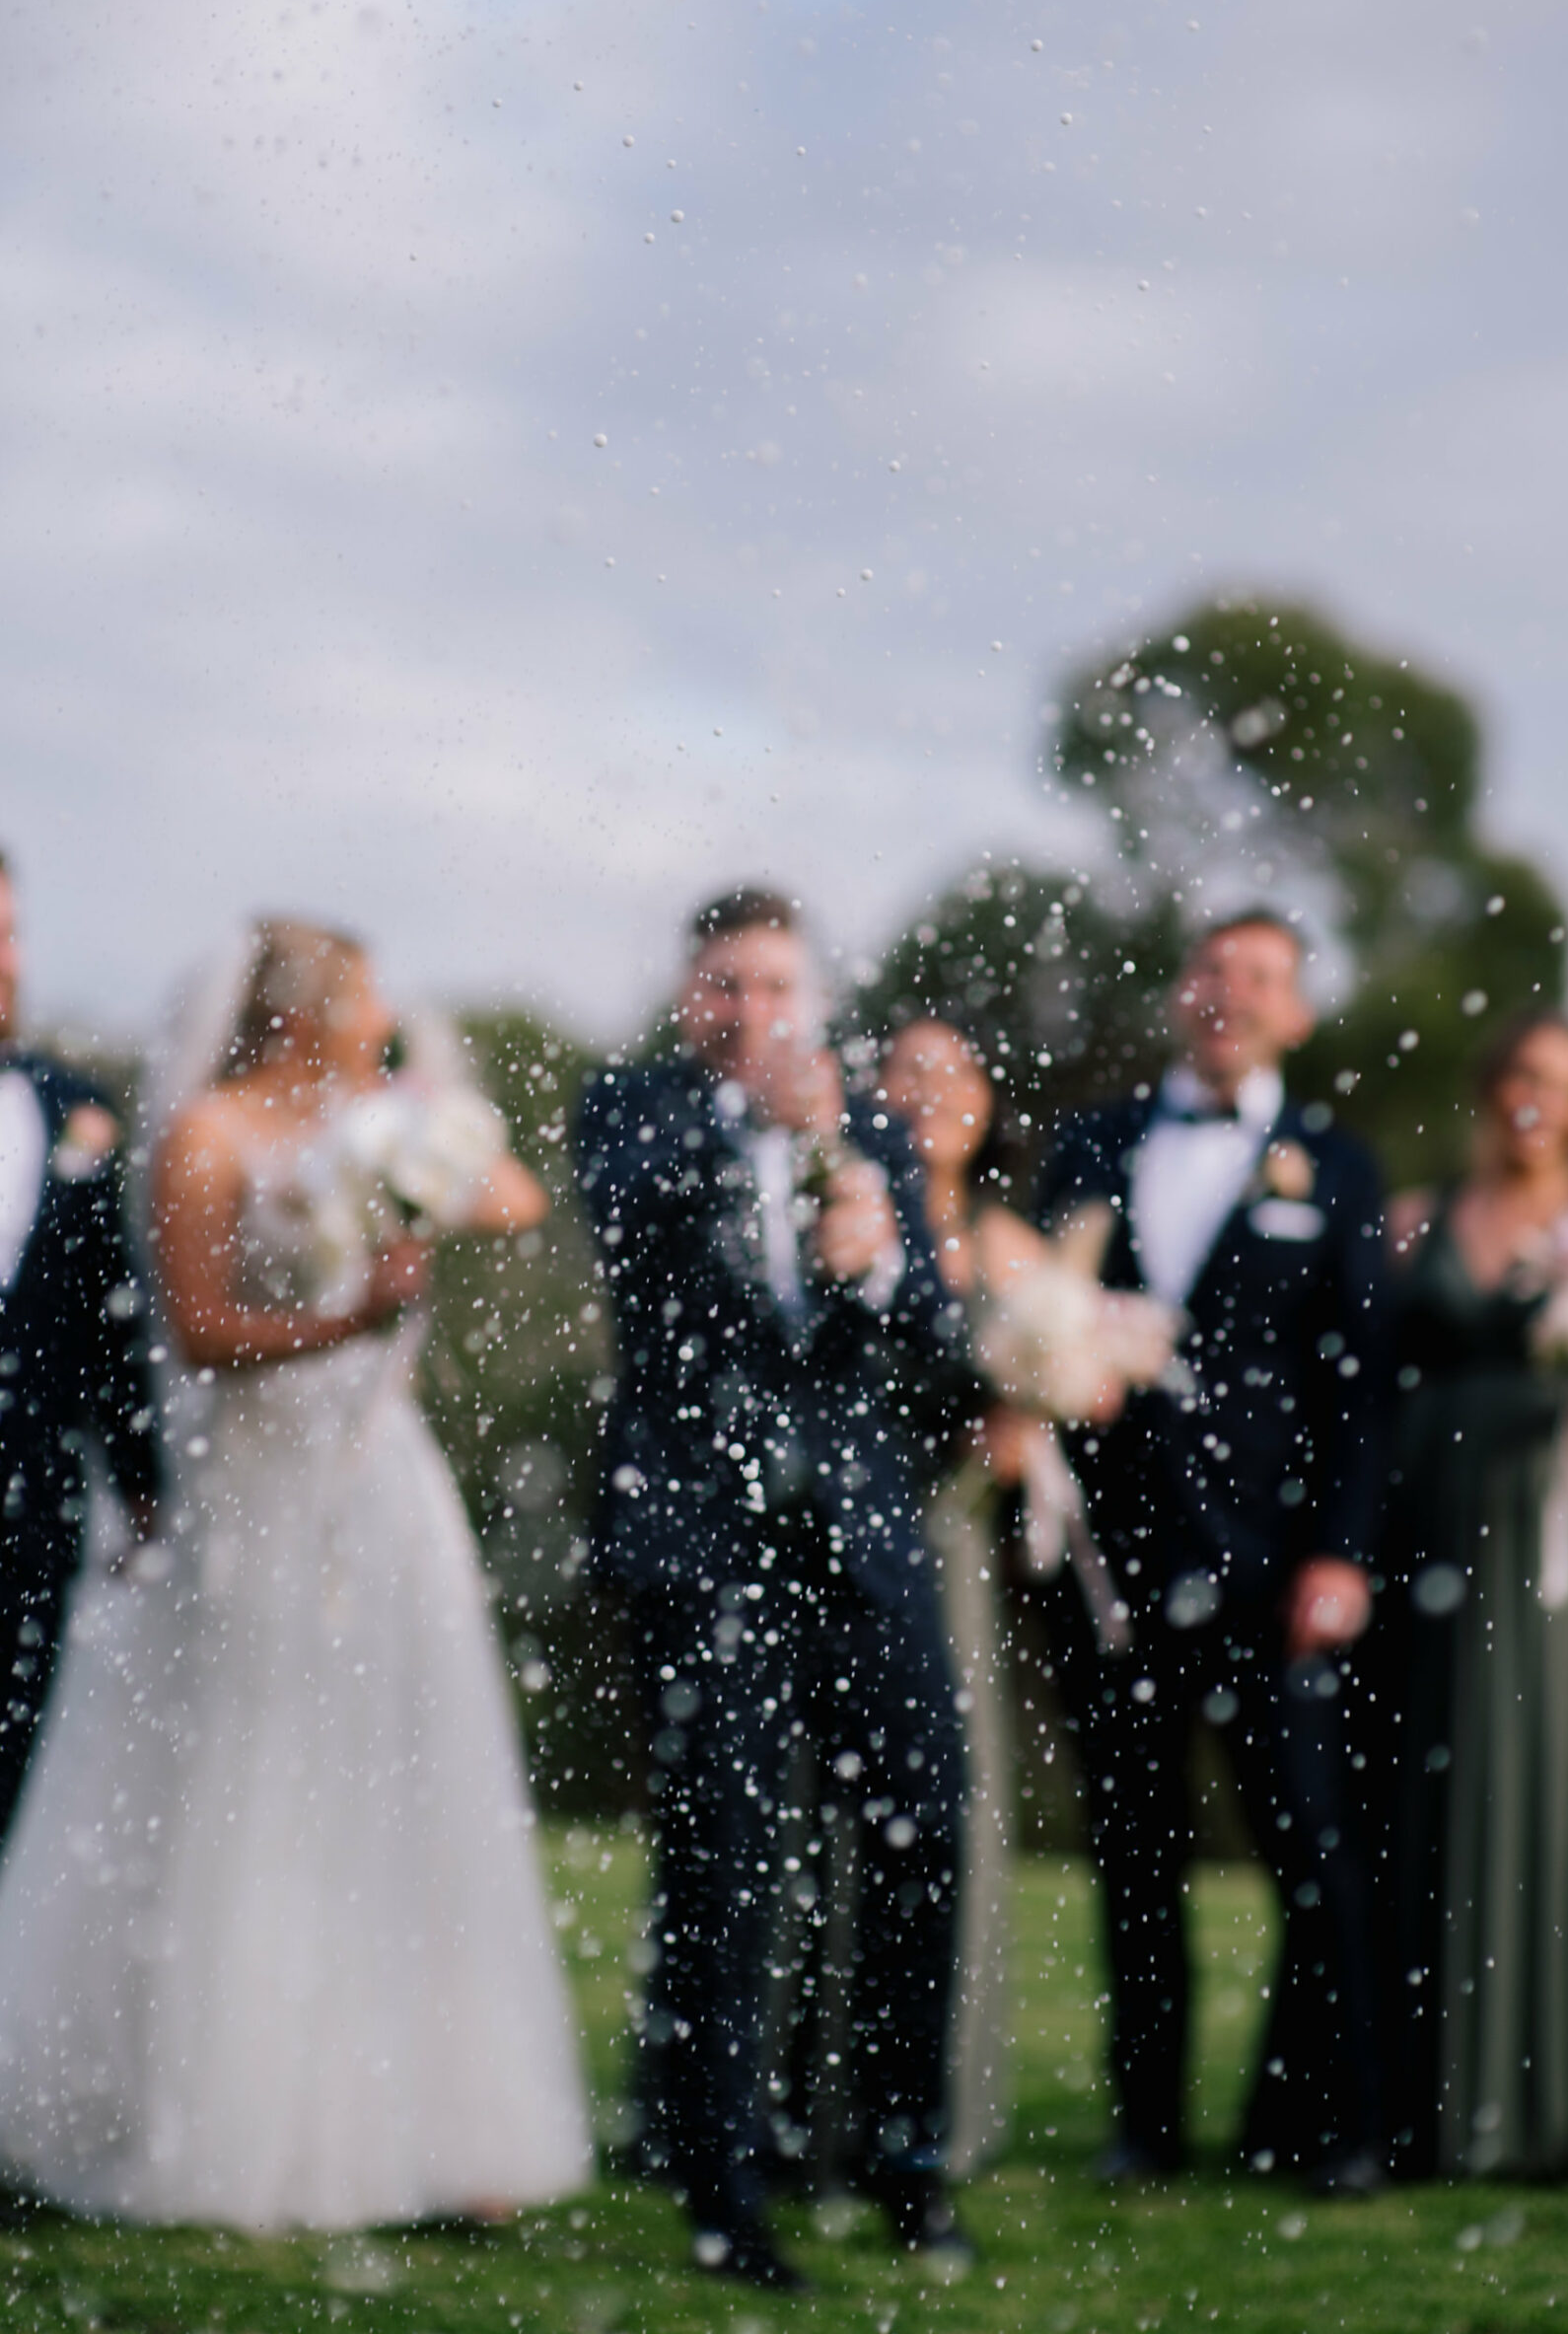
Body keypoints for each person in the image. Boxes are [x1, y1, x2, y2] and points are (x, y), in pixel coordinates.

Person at [0, 919, 592, 2230]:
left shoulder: (387, 1120)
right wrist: (351, 1314)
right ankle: (217, 2122)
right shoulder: (205, 1137)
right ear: (305, 1007)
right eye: (366, 994)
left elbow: (514, 1199)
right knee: (250, 1790)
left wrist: (419, 1174)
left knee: (406, 1779)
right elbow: (203, 1332)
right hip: (256, 1497)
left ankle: (432, 2127)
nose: (386, 1015)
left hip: (384, 1488)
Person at [576, 890, 971, 2289]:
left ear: (814, 998)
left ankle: (908, 2161)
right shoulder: (630, 1113)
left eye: (776, 988)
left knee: (924, 1829)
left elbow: (938, 1347)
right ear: (691, 995)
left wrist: (873, 1270)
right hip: (703, 1545)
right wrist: (764, 1124)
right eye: (726, 987)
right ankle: (719, 2179)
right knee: (724, 1864)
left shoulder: (873, 1135)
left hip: (863, 1546)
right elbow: (628, 1231)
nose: (752, 1012)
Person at [1033, 912, 1390, 2191]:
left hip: (1272, 1565)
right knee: (1137, 1861)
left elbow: (1357, 1387)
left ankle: (1327, 2128)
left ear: (1294, 1014)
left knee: (1309, 1852)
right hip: (1115, 1569)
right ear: (1180, 993)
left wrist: (1339, 1554)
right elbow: (1039, 1318)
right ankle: (1147, 2131)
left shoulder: (1336, 1168)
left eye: (1259, 978)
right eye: (1210, 971)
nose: (1227, 994)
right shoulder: (1092, 1144)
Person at [1382, 1008, 1568, 2178]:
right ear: (1486, 1085)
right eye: (1518, 1074)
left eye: (1559, 1083)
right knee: (1449, 1790)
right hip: (1440, 1530)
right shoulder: (1417, 1220)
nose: (1534, 1099)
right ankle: (1435, 2103)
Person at [879, 1018, 1176, 2178]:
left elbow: (1084, 1380)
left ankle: (931, 2089)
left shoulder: (1008, 1243)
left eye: (951, 1073)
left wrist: (1036, 1401)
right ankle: (814, 2095)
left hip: (953, 1545)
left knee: (951, 1793)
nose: (926, 1092)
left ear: (985, 1101)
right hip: (851, 1535)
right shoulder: (843, 1209)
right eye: (902, 1071)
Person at [0, 850, 162, 1842]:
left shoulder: (74, 1107)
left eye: (9, 933)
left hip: (28, 1508)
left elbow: (111, 1317)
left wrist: (143, 1485)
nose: (4, 962)